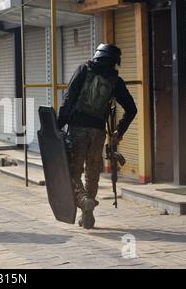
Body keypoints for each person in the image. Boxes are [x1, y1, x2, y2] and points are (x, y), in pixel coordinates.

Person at [57, 43, 137, 229]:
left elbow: (68, 100)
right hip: (98, 133)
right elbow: (132, 109)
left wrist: (57, 127)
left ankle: (83, 200)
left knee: (71, 172)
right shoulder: (116, 81)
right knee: (92, 174)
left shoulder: (83, 70)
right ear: (114, 61)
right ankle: (88, 217)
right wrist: (119, 131)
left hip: (77, 130)